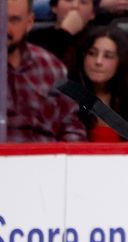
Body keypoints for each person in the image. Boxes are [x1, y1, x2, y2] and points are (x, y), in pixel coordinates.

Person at [6, 0, 87, 142]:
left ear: (29, 22)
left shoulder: (51, 66)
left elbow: (70, 125)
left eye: (14, 20)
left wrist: (72, 159)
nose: (5, 28)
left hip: (47, 159)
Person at [71, 25, 128, 141]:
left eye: (108, 56)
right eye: (92, 53)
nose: (98, 62)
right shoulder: (65, 100)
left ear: (121, 62)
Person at [28, 0, 97, 65]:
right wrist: (64, 33)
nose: (75, 6)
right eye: (68, 0)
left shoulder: (97, 41)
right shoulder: (33, 38)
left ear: (92, 14)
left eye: (83, 2)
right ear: (54, 7)